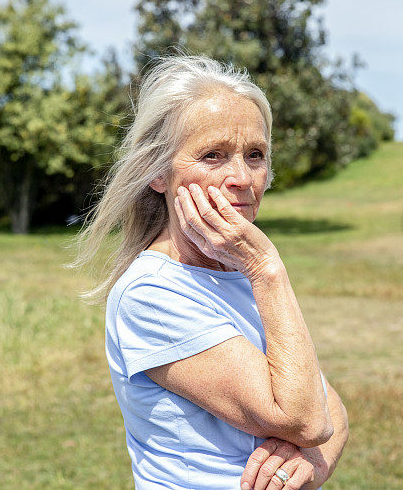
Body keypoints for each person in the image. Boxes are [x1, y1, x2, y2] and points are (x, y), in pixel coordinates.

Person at [69, 53, 349, 489]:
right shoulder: (153, 294)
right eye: (213, 156)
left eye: (255, 155)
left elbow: (330, 407)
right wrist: (266, 268)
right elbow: (306, 419)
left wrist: (313, 461)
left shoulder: (236, 274)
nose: (242, 177)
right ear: (157, 173)